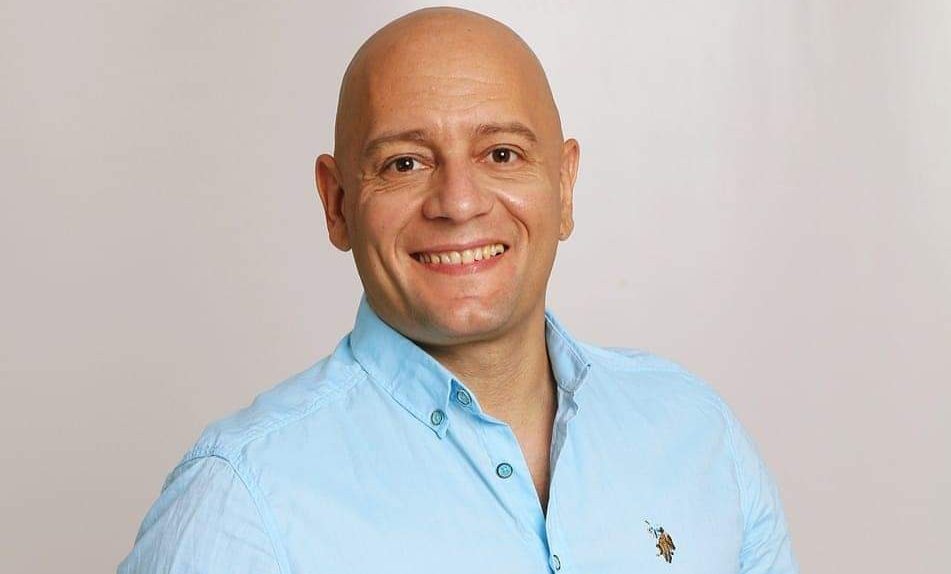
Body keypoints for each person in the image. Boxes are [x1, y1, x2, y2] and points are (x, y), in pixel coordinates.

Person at [118, 7, 798, 573]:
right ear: (337, 203)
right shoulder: (240, 501)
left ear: (563, 187)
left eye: (501, 153)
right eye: (404, 163)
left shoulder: (695, 433)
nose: (459, 202)